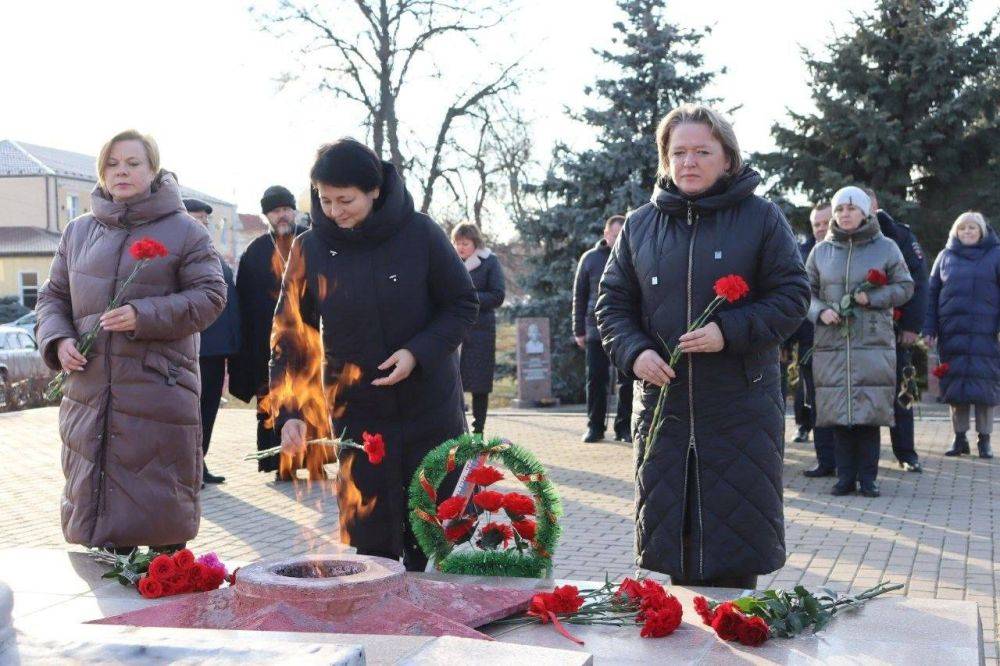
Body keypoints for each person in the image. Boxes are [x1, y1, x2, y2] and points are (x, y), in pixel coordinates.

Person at [596, 104, 809, 588]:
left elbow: (793, 296)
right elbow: (612, 304)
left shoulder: (760, 218)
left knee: (734, 560)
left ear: (728, 159)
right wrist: (634, 353)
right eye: (678, 152)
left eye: (701, 151)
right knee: (675, 555)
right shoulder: (640, 224)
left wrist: (728, 332)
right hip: (665, 415)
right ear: (665, 160)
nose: (688, 162)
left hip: (739, 412)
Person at [275, 139, 477, 571]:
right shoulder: (310, 248)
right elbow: (293, 334)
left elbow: (461, 303)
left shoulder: (420, 233)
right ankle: (382, 631)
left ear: (375, 191)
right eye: (325, 200)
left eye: (345, 200)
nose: (334, 211)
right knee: (371, 544)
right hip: (359, 414)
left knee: (435, 531)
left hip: (428, 406)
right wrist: (291, 409)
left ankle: (438, 627)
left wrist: (416, 352)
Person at [34, 130, 227, 549]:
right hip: (89, 393)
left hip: (158, 392)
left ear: (154, 169)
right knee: (103, 537)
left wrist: (144, 314)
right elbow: (52, 297)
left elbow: (211, 297)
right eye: (112, 164)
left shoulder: (186, 232)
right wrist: (58, 341)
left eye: (133, 163)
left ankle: (167, 588)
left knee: (160, 517)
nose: (122, 172)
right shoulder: (78, 232)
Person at [806, 187, 913, 498]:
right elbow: (803, 293)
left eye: (851, 209)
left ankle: (868, 478)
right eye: (840, 210)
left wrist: (874, 297)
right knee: (839, 414)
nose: (844, 215)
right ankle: (843, 478)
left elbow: (905, 286)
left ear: (866, 212)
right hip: (832, 342)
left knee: (868, 413)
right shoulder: (821, 252)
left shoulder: (887, 248)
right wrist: (821, 311)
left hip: (872, 341)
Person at [228, 185, 307, 480]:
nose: (282, 214)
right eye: (275, 211)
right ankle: (278, 465)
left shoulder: (309, 242)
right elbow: (243, 304)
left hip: (308, 340)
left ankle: (311, 462)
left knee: (308, 398)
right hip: (267, 344)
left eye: (286, 208)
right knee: (273, 402)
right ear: (266, 216)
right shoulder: (255, 252)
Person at [923, 211, 998, 459]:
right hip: (951, 333)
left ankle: (985, 440)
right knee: (956, 387)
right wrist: (929, 328)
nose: (967, 232)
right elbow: (932, 294)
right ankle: (959, 438)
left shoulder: (995, 255)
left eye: (972, 228)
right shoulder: (945, 257)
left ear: (982, 231)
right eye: (962, 228)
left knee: (984, 388)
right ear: (955, 231)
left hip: (987, 334)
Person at [866, 189, 928, 473]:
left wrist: (912, 326)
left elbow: (917, 282)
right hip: (859, 332)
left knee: (899, 391)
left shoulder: (899, 236)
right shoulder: (842, 236)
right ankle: (863, 461)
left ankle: (906, 453)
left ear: (875, 205)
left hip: (895, 328)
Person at [184, 198, 240, 485]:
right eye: (196, 220)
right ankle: (189, 469)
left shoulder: (213, 255)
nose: (203, 226)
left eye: (205, 222)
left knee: (208, 410)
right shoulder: (180, 256)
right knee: (191, 412)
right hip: (193, 349)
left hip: (217, 350)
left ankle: (200, 463)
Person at [573, 215, 633, 443]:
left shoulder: (632, 255)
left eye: (621, 235)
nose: (617, 239)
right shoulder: (589, 259)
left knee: (626, 381)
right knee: (595, 379)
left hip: (625, 331)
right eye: (613, 235)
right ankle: (594, 427)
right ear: (606, 234)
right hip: (594, 330)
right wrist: (578, 329)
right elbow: (579, 296)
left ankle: (624, 428)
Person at [793, 204, 837, 477]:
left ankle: (847, 462)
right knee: (816, 401)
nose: (821, 228)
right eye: (816, 224)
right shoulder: (801, 253)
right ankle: (825, 460)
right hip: (811, 340)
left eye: (826, 222)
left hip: (844, 341)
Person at [451, 223, 506, 435]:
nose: (460, 247)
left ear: (475, 243)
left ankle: (478, 430)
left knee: (479, 384)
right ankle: (457, 428)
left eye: (465, 243)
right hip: (454, 331)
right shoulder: (449, 261)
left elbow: (498, 295)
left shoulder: (490, 262)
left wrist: (469, 299)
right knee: (453, 382)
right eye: (457, 243)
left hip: (481, 331)